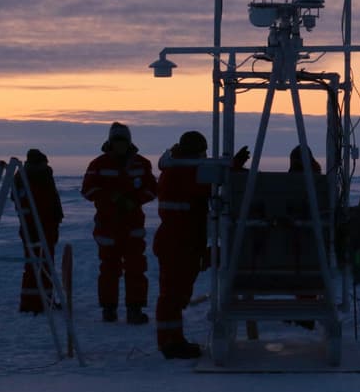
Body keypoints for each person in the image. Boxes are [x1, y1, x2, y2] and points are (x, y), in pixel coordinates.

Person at [154, 132, 250, 359]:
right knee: (172, 295)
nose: (205, 157)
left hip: (181, 241)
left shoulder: (178, 168)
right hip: (178, 243)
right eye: (203, 153)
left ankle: (172, 340)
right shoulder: (182, 172)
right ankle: (170, 343)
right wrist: (234, 168)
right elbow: (210, 185)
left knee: (175, 294)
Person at [81, 122, 157, 324]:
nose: (120, 145)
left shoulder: (142, 164)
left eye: (123, 140)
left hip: (133, 226)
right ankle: (109, 309)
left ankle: (135, 309)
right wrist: (111, 198)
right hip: (107, 226)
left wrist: (135, 200)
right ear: (110, 142)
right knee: (109, 269)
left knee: (136, 268)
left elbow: (152, 189)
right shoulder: (98, 164)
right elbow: (87, 190)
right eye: (117, 141)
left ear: (129, 141)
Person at [15, 149, 64, 313]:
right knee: (34, 265)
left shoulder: (42, 176)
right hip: (34, 226)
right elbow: (24, 202)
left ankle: (44, 301)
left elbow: (52, 199)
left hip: (47, 225)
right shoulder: (25, 177)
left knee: (44, 265)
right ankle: (32, 303)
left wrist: (57, 217)